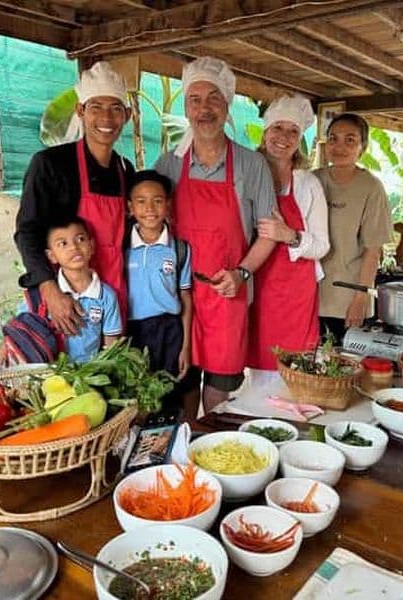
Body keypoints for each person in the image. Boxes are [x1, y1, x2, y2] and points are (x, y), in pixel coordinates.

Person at [155, 56, 277, 413]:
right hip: (178, 296)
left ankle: (216, 454)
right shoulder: (168, 164)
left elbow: (268, 232)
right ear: (185, 106)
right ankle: (185, 457)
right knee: (182, 387)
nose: (204, 109)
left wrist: (241, 273)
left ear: (227, 106)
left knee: (220, 399)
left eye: (213, 98)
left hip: (229, 295)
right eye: (195, 99)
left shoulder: (251, 164)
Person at [14, 61, 134, 337]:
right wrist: (50, 290)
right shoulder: (50, 164)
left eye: (116, 109)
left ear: (126, 116)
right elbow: (27, 231)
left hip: (112, 297)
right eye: (96, 107)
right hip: (66, 302)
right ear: (80, 111)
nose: (106, 118)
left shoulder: (125, 170)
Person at [247, 94, 329, 376]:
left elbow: (322, 246)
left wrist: (289, 235)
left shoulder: (309, 184)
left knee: (293, 367)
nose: (284, 137)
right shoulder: (245, 174)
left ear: (299, 139)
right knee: (253, 363)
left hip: (296, 291)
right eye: (277, 128)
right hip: (255, 283)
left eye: (293, 130)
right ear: (265, 132)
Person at [315, 113, 393, 343]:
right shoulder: (312, 180)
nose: (339, 146)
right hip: (312, 295)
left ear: (362, 147)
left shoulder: (371, 187)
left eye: (350, 140)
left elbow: (372, 251)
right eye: (333, 138)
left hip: (348, 298)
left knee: (345, 369)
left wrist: (360, 299)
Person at [4, 216, 121, 365]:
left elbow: (111, 348)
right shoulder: (42, 296)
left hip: (89, 378)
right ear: (51, 256)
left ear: (91, 246)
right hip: (48, 377)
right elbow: (18, 331)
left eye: (80, 239)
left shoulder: (107, 296)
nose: (74, 247)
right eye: (63, 243)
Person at [124, 169, 193, 384]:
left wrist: (186, 347)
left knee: (169, 393)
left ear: (168, 204)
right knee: (137, 394)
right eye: (141, 201)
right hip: (133, 332)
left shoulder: (179, 249)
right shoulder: (122, 247)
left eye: (157, 200)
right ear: (130, 207)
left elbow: (185, 298)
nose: (150, 209)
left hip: (169, 331)